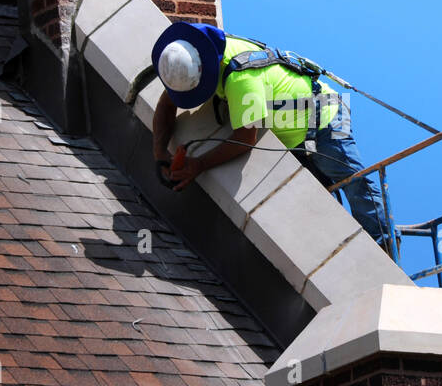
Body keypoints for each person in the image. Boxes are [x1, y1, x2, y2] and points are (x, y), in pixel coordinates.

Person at [150, 22, 391, 249]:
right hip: (296, 139)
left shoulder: (241, 79)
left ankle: (384, 249)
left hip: (327, 115)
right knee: (317, 207)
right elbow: (166, 104)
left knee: (355, 184)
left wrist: (197, 165)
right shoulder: (197, 54)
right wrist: (160, 152)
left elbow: (245, 139)